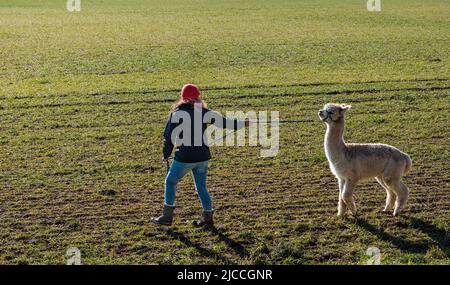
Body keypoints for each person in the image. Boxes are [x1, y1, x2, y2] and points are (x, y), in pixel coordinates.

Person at [151, 84, 248, 227]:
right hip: (202, 157)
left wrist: (166, 154)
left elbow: (168, 137)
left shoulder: (177, 113)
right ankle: (208, 218)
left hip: (184, 157)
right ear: (198, 97)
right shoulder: (203, 112)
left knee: (170, 182)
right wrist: (244, 123)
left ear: (182, 97)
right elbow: (225, 122)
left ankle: (167, 216)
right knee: (201, 186)